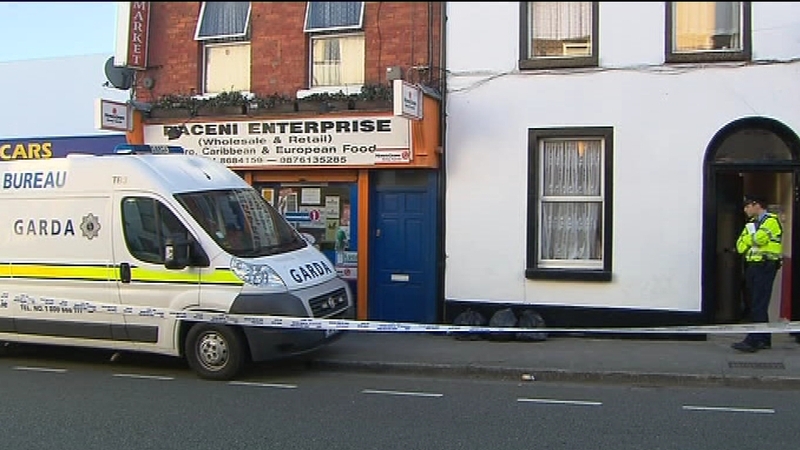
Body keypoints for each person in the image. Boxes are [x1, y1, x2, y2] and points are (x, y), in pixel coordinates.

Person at [731, 194, 783, 353]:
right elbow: (740, 246)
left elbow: (759, 240)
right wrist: (750, 238)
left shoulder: (771, 221)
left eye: (747, 206)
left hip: (766, 266)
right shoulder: (751, 224)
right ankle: (764, 339)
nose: (745, 210)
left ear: (756, 205)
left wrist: (749, 238)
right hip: (753, 267)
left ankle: (753, 340)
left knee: (758, 304)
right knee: (755, 303)